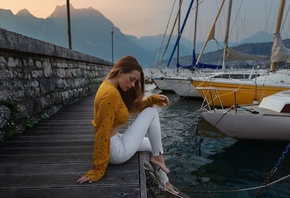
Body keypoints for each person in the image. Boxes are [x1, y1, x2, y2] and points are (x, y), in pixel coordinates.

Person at [76, 55, 178, 194]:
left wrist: (152, 99)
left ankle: (165, 183)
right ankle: (158, 160)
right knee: (151, 113)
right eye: (132, 79)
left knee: (152, 145)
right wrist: (97, 170)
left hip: (116, 140)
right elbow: (102, 131)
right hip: (115, 151)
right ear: (121, 72)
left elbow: (130, 108)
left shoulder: (110, 87)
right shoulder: (110, 94)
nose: (132, 85)